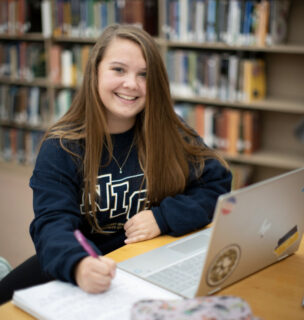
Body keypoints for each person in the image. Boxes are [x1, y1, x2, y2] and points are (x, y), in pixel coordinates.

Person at [0, 24, 231, 304]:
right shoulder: (61, 146)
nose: (131, 83)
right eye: (119, 70)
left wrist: (163, 217)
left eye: (144, 75)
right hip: (83, 263)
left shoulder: (170, 130)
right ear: (95, 72)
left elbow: (217, 185)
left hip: (147, 260)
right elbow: (52, 223)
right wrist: (79, 265)